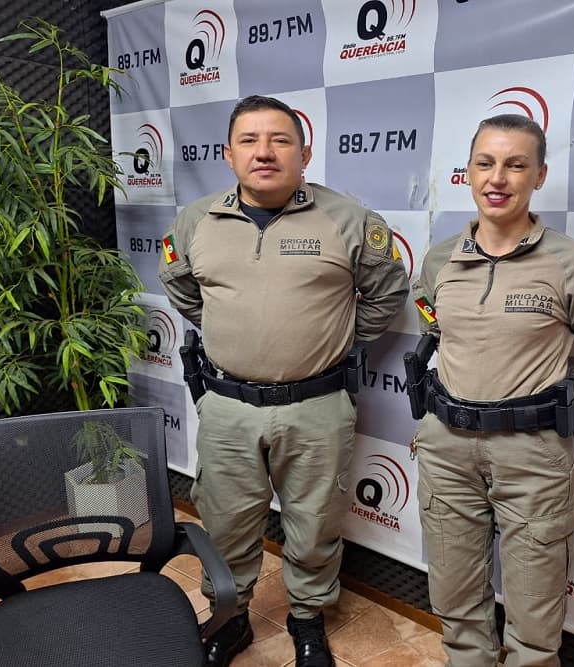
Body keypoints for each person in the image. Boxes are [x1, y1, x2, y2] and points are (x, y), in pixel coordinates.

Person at [159, 95, 408, 667]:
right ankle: (232, 618)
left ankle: (307, 622)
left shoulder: (350, 220)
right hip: (227, 406)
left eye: (279, 140)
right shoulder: (196, 220)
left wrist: (334, 339)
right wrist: (237, 333)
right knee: (223, 522)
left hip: (317, 405)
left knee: (315, 522)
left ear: (304, 152)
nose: (264, 152)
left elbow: (387, 294)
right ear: (228, 154)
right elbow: (184, 292)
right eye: (249, 140)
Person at [408, 114, 574, 667]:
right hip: (446, 450)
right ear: (467, 173)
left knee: (535, 612)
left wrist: (551, 399)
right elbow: (434, 334)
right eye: (485, 163)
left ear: (539, 175)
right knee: (455, 595)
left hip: (532, 455)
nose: (498, 178)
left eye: (516, 165)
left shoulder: (573, 263)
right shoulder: (440, 260)